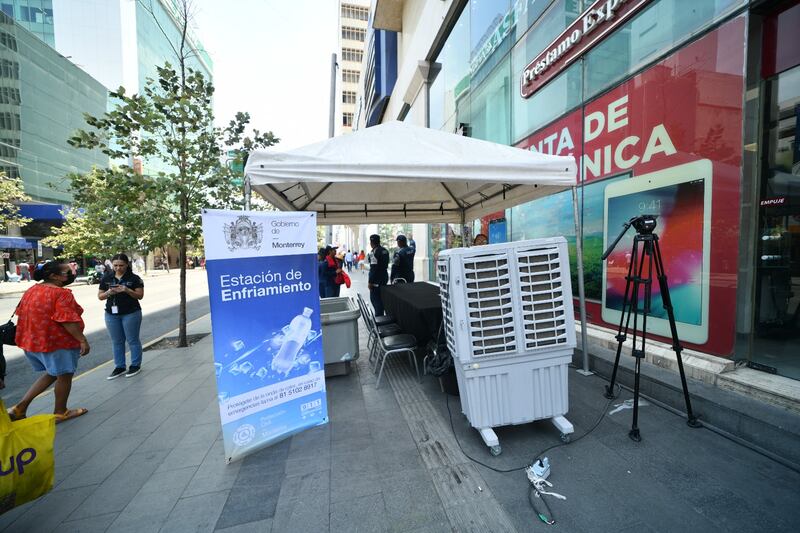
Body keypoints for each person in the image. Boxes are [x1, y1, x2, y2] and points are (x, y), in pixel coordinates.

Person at [7, 261, 89, 423]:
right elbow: (67, 320)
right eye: (67, 272)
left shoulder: (32, 289)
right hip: (57, 344)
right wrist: (83, 340)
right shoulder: (61, 293)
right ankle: (61, 412)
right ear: (54, 276)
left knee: (53, 373)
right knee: (64, 375)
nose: (71, 274)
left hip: (33, 342)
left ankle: (20, 408)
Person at [99, 253, 145, 379]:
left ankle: (135, 365)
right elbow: (100, 296)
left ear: (127, 265)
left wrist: (126, 290)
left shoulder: (134, 278)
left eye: (121, 265)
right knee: (117, 341)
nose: (118, 268)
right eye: (115, 265)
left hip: (131, 312)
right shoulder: (107, 278)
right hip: (111, 314)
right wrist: (109, 292)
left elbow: (140, 296)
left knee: (132, 340)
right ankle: (119, 366)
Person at [367, 234, 390, 316]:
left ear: (371, 242)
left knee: (375, 300)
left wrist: (370, 281)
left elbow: (373, 268)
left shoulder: (373, 252)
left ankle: (379, 318)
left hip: (376, 280)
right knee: (382, 298)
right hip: (384, 277)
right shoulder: (385, 251)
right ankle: (382, 315)